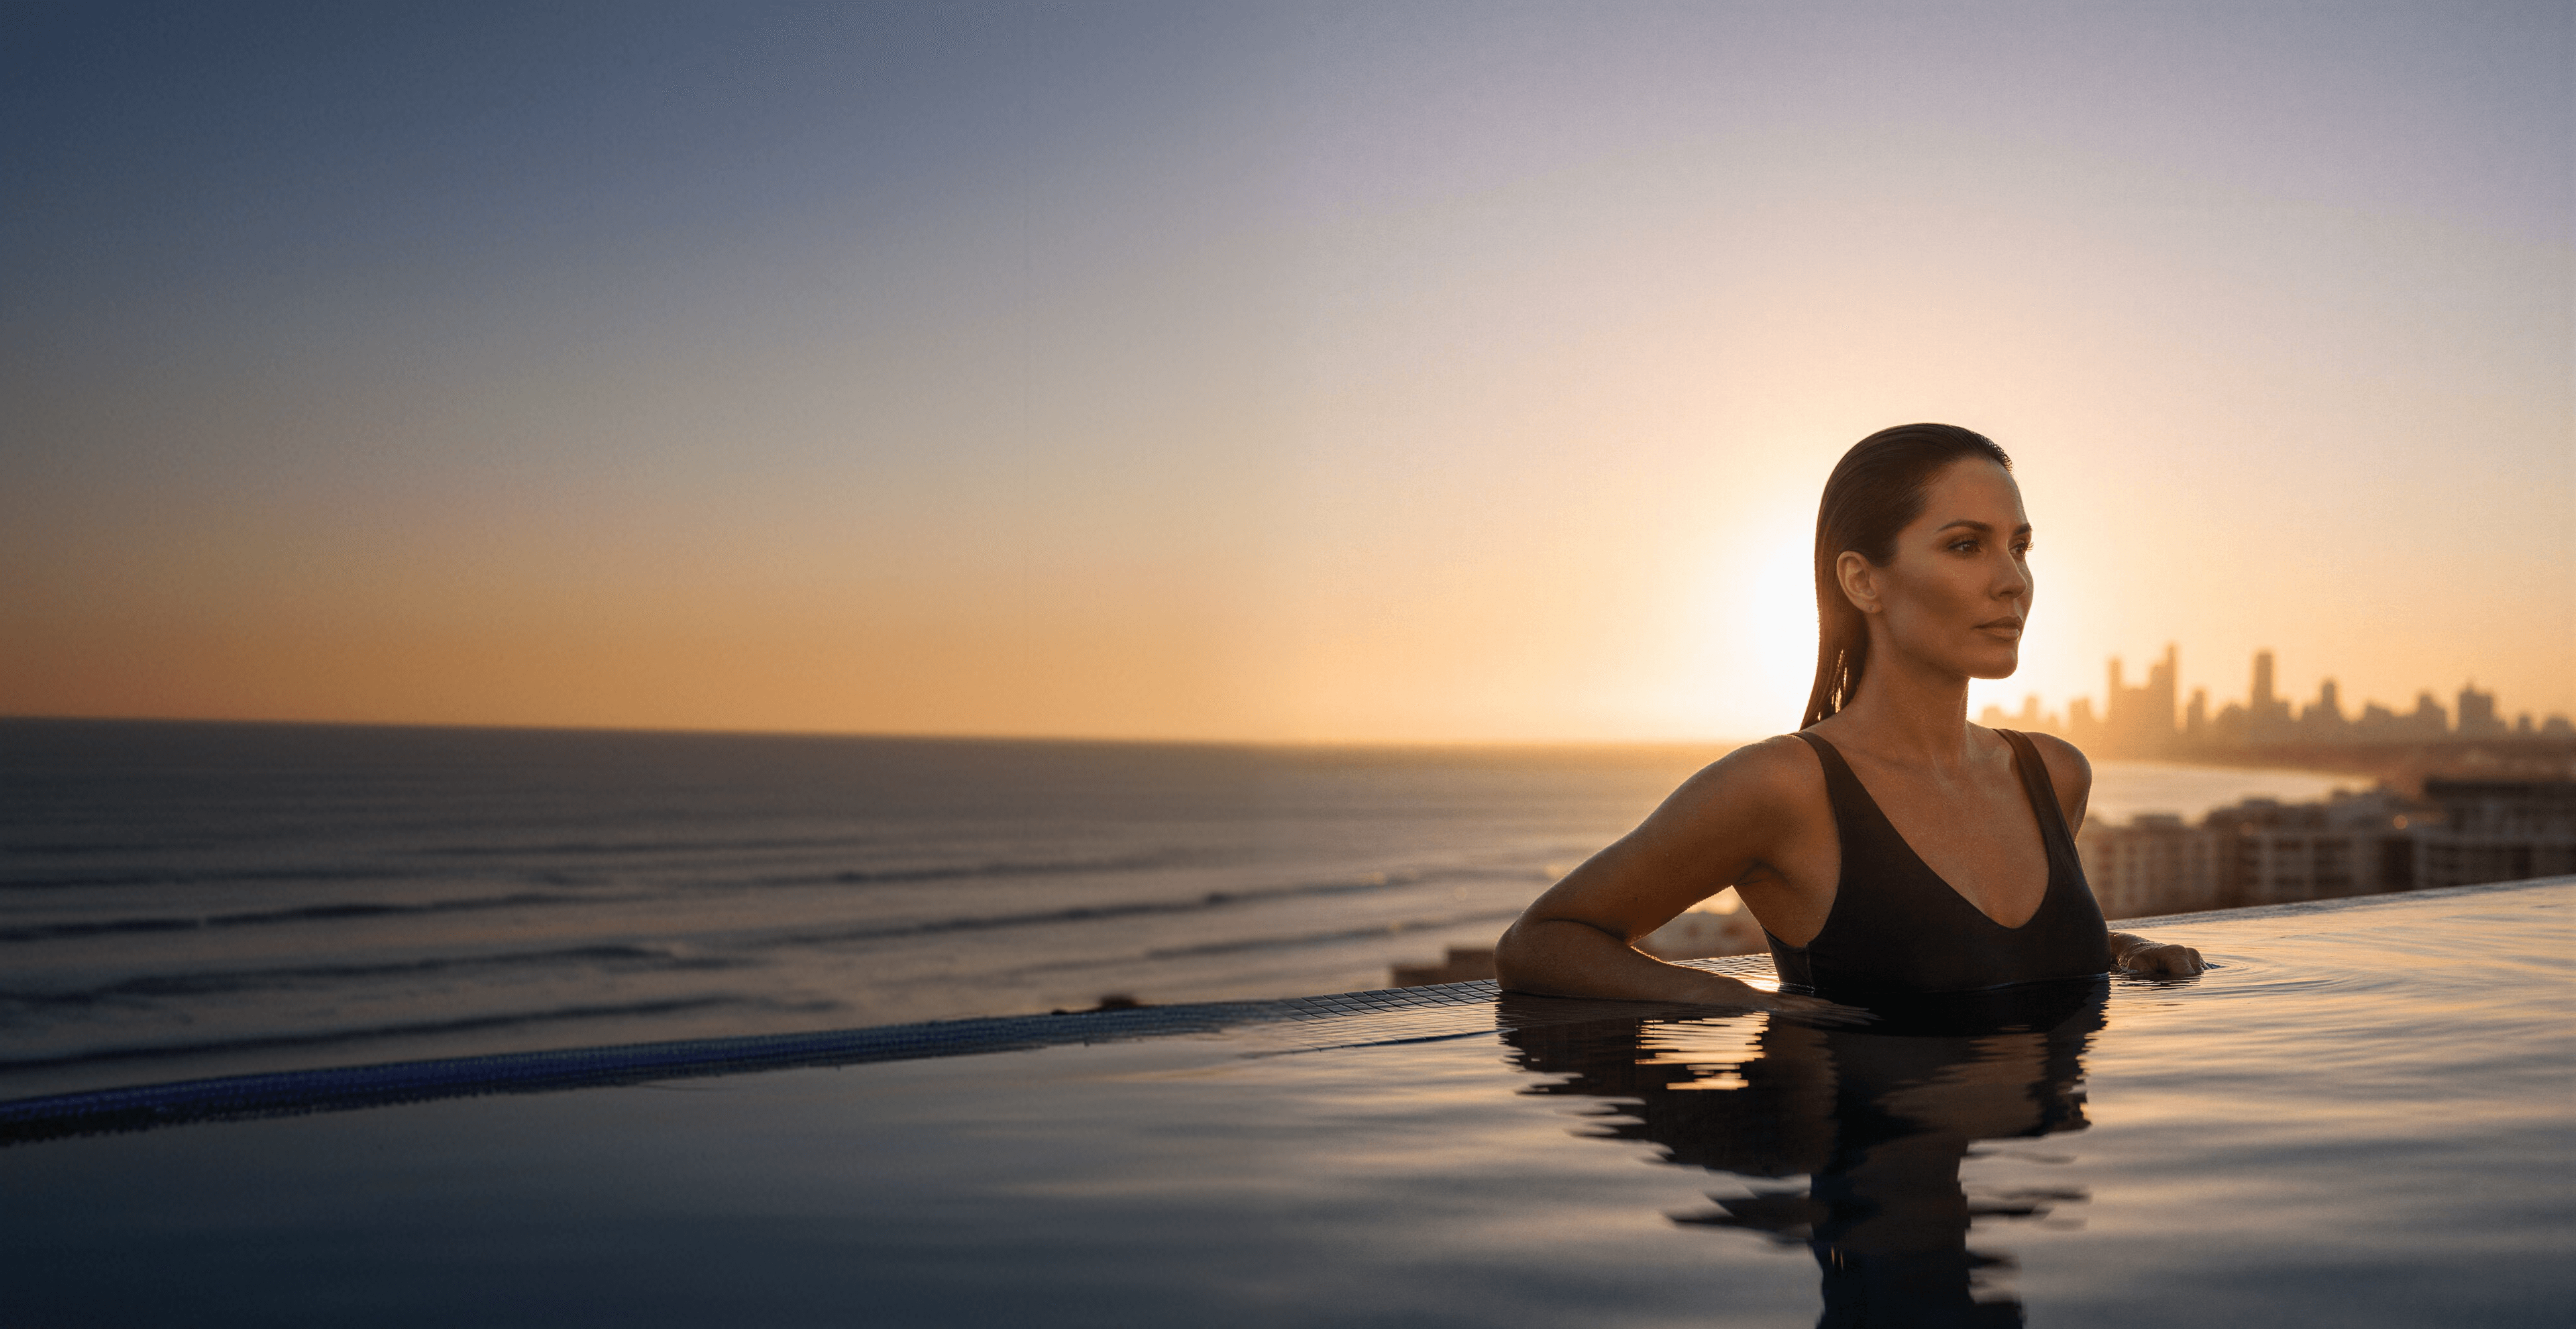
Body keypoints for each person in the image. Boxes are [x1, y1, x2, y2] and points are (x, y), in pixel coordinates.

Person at [1494, 423, 2204, 1014]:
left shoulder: (2053, 772)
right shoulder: (1783, 787)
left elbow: (1994, 952)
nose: (2013, 580)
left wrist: (2128, 949)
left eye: (2019, 547)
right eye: (1966, 545)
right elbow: (1540, 941)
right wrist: (1740, 999)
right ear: (1863, 580)